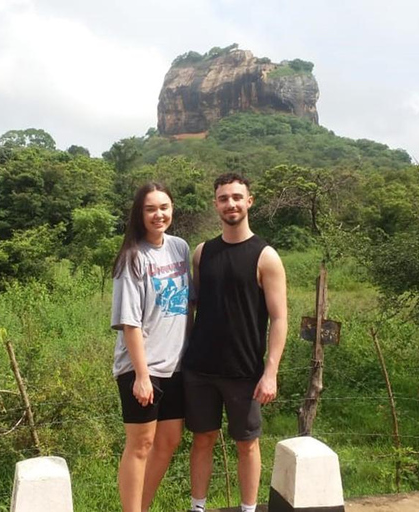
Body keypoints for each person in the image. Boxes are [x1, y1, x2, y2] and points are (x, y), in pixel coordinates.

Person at [182, 173, 288, 512]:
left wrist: (270, 372)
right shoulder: (202, 253)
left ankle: (248, 509)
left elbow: (279, 318)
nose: (231, 204)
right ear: (216, 204)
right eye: (224, 198)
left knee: (247, 445)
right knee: (202, 440)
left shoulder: (266, 256)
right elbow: (194, 307)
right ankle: (197, 507)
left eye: (237, 197)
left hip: (245, 372)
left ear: (249, 201)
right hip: (200, 369)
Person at [110, 182, 192, 512]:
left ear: (172, 209)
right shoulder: (132, 258)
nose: (158, 214)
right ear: (139, 214)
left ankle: (141, 507)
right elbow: (130, 323)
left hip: (176, 365)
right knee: (140, 444)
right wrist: (142, 376)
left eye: (164, 207)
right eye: (150, 209)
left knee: (169, 440)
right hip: (141, 367)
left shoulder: (180, 248)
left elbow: (190, 303)